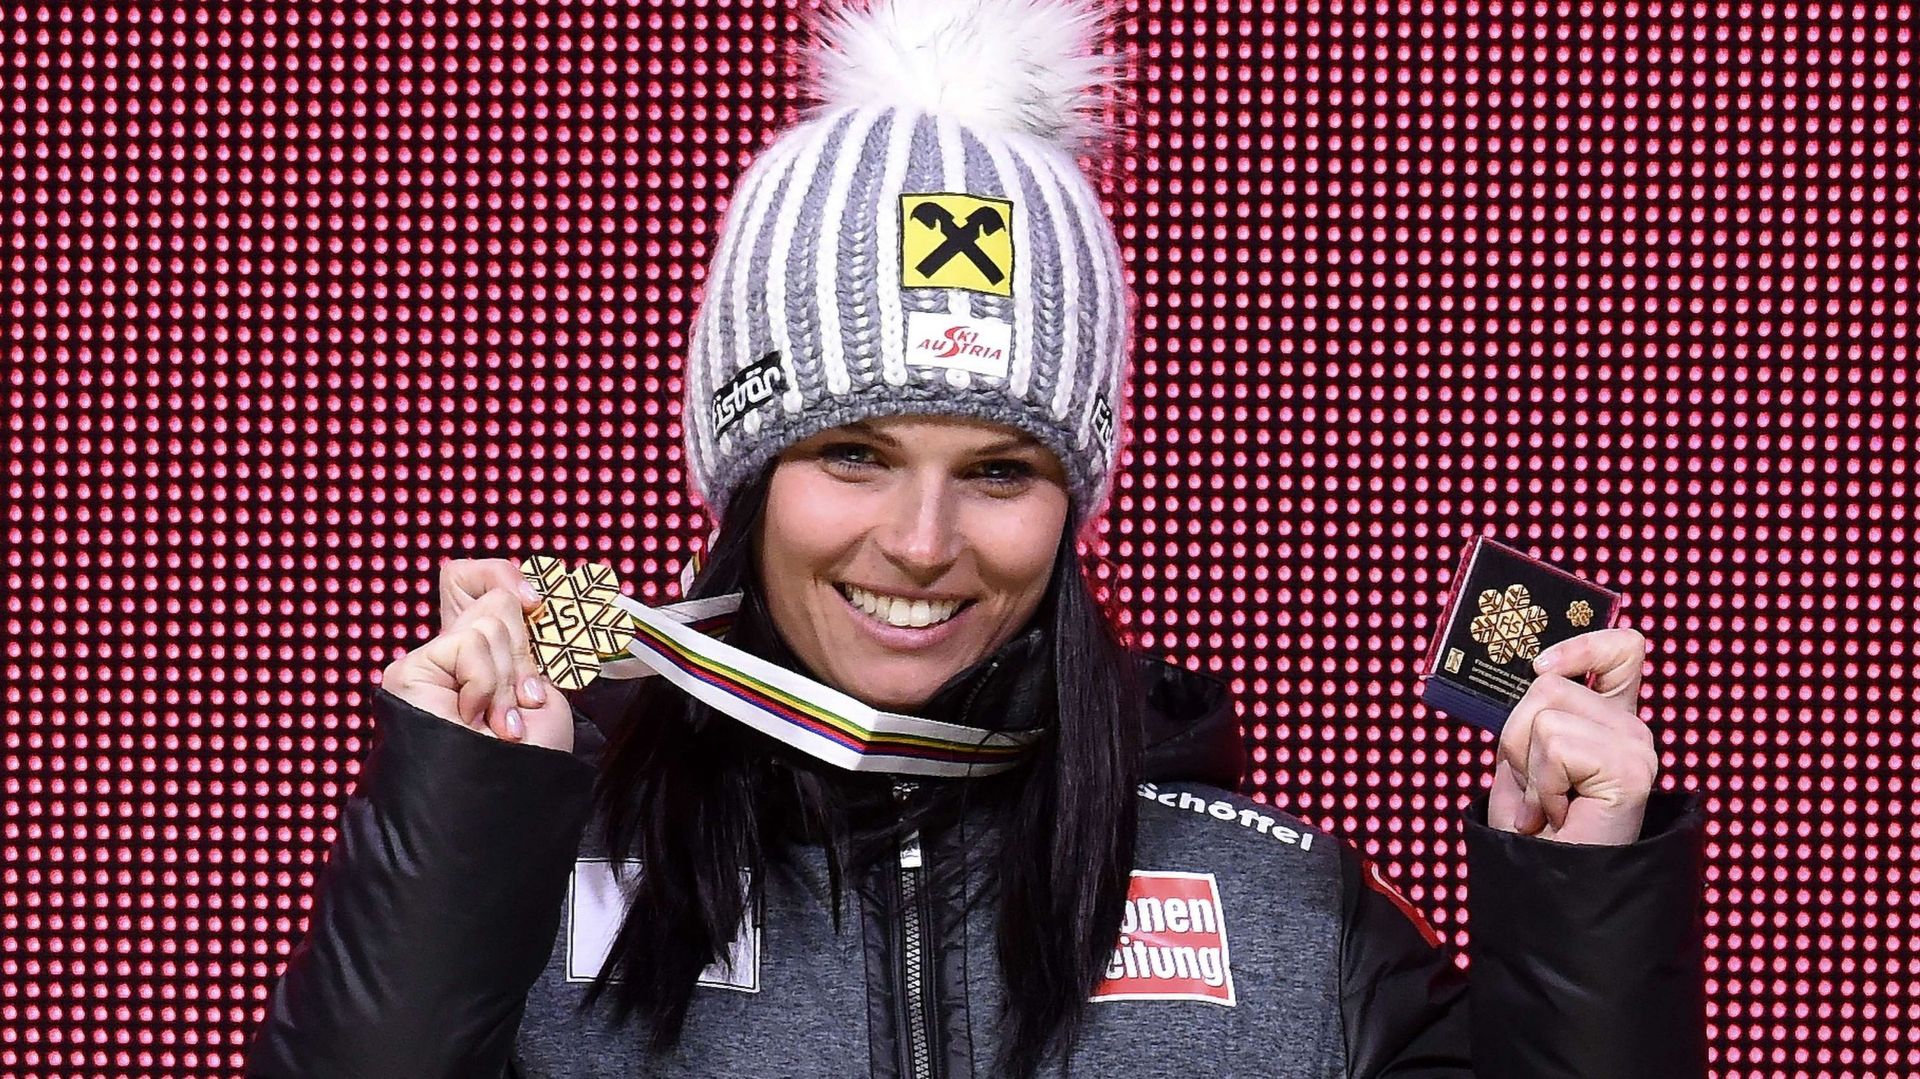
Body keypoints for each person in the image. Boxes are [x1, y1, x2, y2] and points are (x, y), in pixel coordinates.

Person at [248, 1, 1705, 1076]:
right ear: (747, 486)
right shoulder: (531, 882)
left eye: (1001, 471)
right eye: (854, 454)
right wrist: (461, 827)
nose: (923, 540)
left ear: (1073, 509)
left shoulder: (1277, 910)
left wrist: (1579, 903)